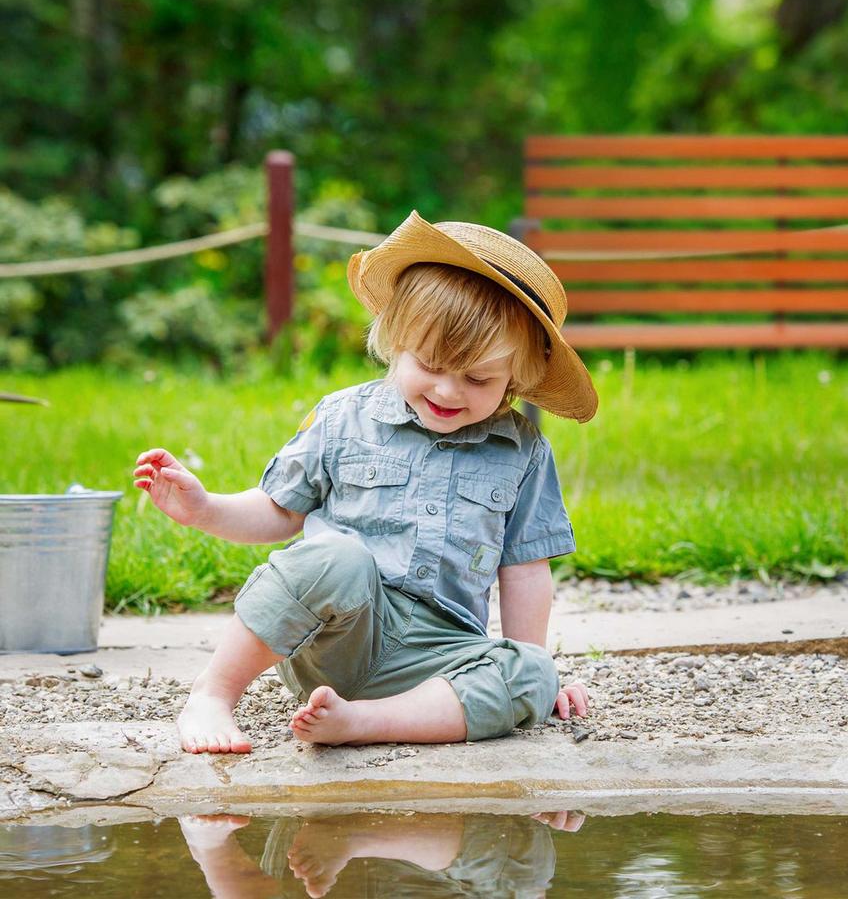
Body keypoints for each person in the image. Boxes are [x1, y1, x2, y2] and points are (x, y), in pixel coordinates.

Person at [133, 210, 598, 754]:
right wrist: (205, 509)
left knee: (534, 673)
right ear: (396, 341)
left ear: (515, 377)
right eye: (430, 365)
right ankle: (214, 692)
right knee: (338, 557)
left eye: (477, 378)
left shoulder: (521, 451)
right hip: (336, 638)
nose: (448, 391)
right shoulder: (344, 418)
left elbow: (525, 570)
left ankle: (361, 721)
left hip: (439, 657)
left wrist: (527, 659)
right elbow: (280, 510)